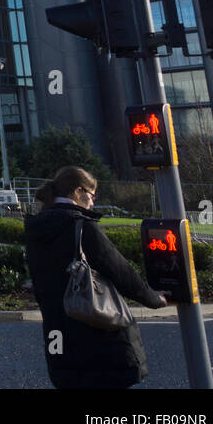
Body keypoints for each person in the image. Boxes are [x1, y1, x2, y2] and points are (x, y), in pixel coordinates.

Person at [23, 165, 167, 389]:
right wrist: (153, 299)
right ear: (77, 192)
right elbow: (120, 271)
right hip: (93, 326)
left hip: (55, 328)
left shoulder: (36, 230)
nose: (92, 202)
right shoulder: (81, 226)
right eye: (91, 196)